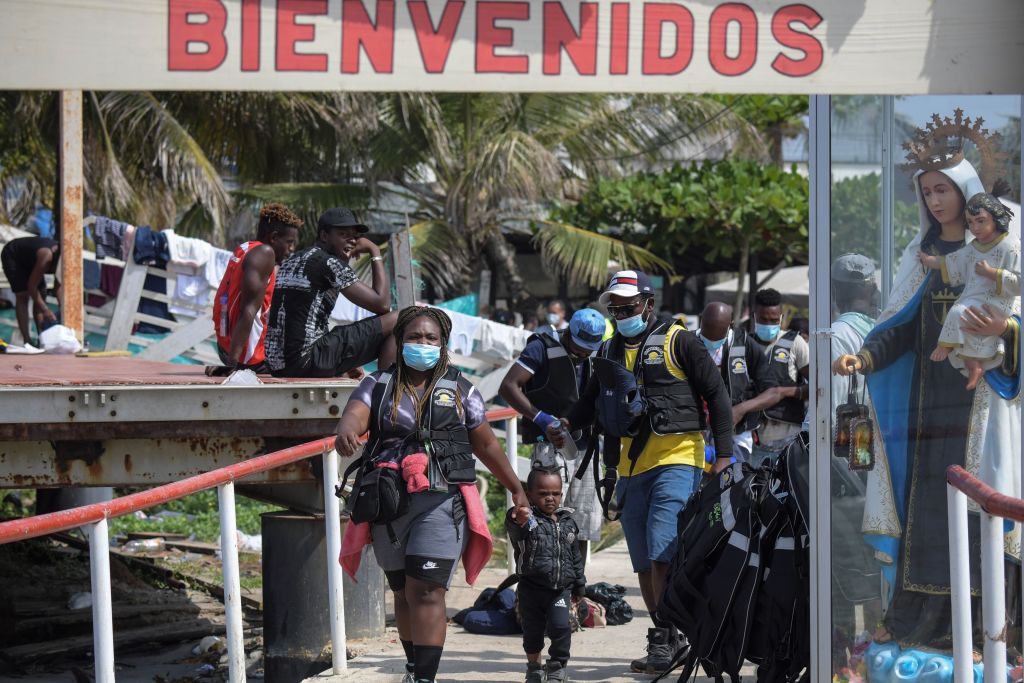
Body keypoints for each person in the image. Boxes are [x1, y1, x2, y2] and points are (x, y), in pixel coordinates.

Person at [833, 146, 1021, 654]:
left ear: (967, 193)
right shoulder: (921, 255)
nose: (935, 201)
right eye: (927, 191)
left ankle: (990, 628)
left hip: (982, 401)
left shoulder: (1006, 247)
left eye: (944, 190)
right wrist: (864, 358)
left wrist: (1008, 329)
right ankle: (923, 622)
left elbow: (1016, 309)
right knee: (926, 509)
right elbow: (896, 326)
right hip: (926, 409)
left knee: (986, 504)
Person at [549, 270, 734, 675]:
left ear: (648, 304)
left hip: (677, 457)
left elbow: (717, 396)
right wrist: (566, 423)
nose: (620, 314)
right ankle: (668, 637)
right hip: (630, 466)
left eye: (627, 307)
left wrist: (723, 456)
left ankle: (669, 635)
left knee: (662, 549)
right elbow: (591, 399)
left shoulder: (679, 340)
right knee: (644, 564)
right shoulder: (610, 349)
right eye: (614, 309)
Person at [335, 306, 531, 683]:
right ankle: (413, 667)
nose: (422, 344)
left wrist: (516, 488)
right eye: (414, 337)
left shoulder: (462, 389)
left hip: (442, 501)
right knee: (404, 590)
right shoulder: (378, 384)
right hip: (388, 501)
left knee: (426, 589)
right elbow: (356, 413)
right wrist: (346, 428)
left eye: (430, 339)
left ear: (443, 345)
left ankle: (424, 678)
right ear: (399, 341)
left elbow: (487, 444)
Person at [499, 308, 607, 559]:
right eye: (578, 347)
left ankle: (576, 587)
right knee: (545, 521)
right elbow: (508, 386)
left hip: (587, 446)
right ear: (568, 332)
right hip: (550, 446)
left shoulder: (599, 352)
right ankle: (545, 583)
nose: (582, 354)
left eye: (587, 350)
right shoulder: (542, 347)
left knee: (581, 524)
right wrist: (541, 418)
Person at [264, 207, 398, 377]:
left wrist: (348, 364)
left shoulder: (292, 260)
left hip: (277, 364)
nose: (352, 242)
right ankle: (384, 389)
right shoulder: (329, 262)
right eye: (344, 235)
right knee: (402, 319)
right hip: (306, 360)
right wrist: (375, 251)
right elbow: (383, 305)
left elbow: (306, 323)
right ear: (324, 236)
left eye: (355, 237)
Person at [918, 189, 1019, 389]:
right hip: (974, 300)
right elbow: (953, 261)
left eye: (980, 221)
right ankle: (973, 366)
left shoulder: (1010, 246)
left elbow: (1019, 283)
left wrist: (993, 273)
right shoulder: (974, 247)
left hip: (999, 303)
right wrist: (929, 260)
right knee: (958, 314)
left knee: (961, 314)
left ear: (996, 218)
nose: (975, 228)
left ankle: (952, 351)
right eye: (971, 222)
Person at [506, 466, 587, 683]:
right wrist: (517, 517)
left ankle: (557, 666)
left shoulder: (568, 523)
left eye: (555, 493)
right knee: (532, 633)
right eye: (543, 494)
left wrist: (579, 585)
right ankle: (534, 667)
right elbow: (515, 526)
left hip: (560, 591)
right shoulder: (528, 520)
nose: (550, 498)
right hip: (531, 590)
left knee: (561, 627)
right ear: (530, 494)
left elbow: (575, 557)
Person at [695, 301, 793, 463]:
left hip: (737, 436)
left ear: (730, 325)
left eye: (718, 333)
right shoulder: (688, 341)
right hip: (696, 434)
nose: (711, 339)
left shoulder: (745, 345)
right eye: (707, 331)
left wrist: (740, 409)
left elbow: (773, 392)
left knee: (733, 476)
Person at [212, 203, 301, 372]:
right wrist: (231, 367)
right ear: (274, 237)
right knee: (313, 361)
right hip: (247, 358)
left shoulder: (245, 248)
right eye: (289, 242)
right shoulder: (265, 253)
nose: (291, 249)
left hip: (227, 347)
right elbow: (248, 311)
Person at [750, 287, 809, 464]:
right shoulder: (745, 345)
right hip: (755, 445)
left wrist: (784, 392)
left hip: (789, 442)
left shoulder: (795, 343)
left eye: (774, 320)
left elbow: (818, 385)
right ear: (754, 317)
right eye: (764, 320)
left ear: (781, 318)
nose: (769, 324)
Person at [829, 253, 881, 431]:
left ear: (834, 291)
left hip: (849, 445)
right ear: (873, 288)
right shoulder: (887, 328)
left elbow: (831, 409)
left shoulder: (836, 334)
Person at [1, 235, 60, 345]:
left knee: (42, 294)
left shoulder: (65, 261)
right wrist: (46, 310)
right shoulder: (46, 255)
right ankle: (27, 340)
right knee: (23, 296)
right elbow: (31, 286)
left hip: (31, 260)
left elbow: (59, 288)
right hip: (13, 255)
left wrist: (63, 308)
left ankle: (41, 339)